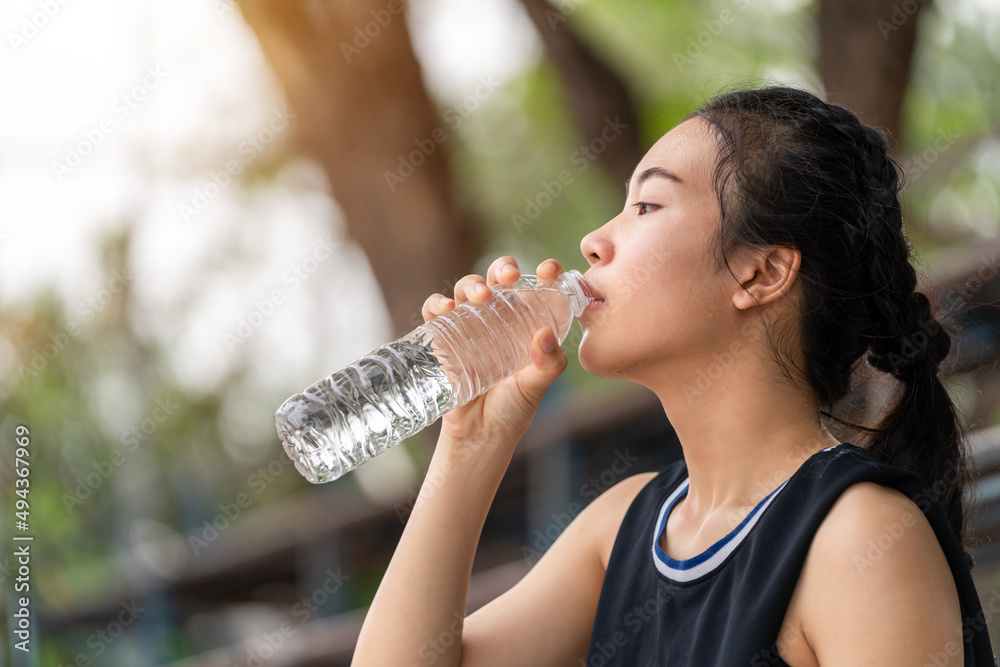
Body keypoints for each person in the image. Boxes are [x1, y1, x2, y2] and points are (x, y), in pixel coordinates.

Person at [351, 86, 997, 666]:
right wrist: (471, 441)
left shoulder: (859, 537)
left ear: (761, 273)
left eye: (648, 204)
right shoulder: (624, 528)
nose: (594, 242)